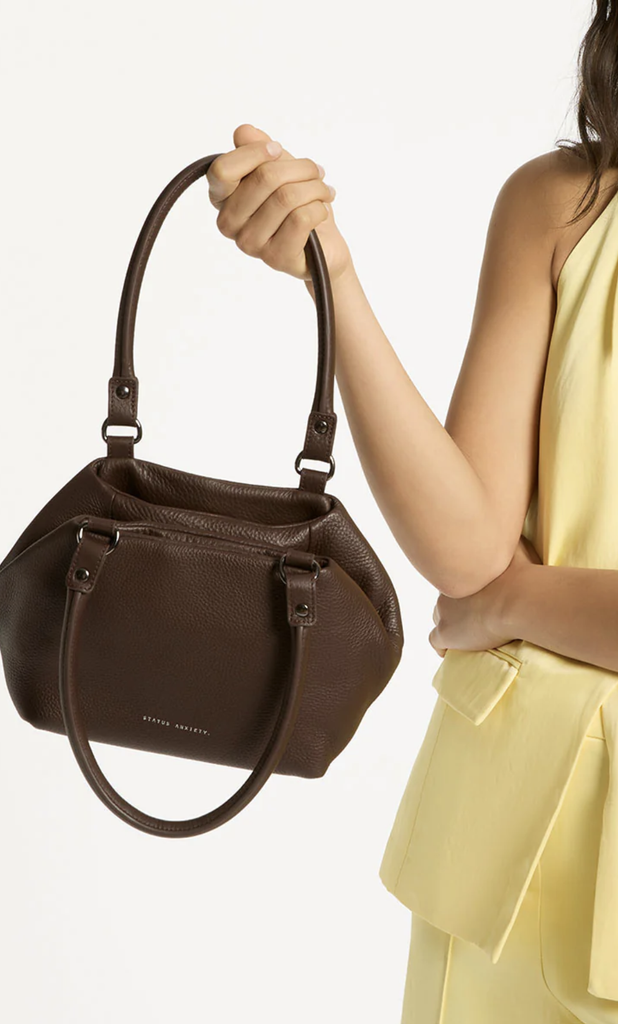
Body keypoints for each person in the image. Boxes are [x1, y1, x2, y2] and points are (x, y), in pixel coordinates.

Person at [204, 4, 618, 1019]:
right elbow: (466, 549)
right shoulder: (564, 207)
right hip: (513, 851)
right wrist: (333, 274)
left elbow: (490, 585)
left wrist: (519, 600)